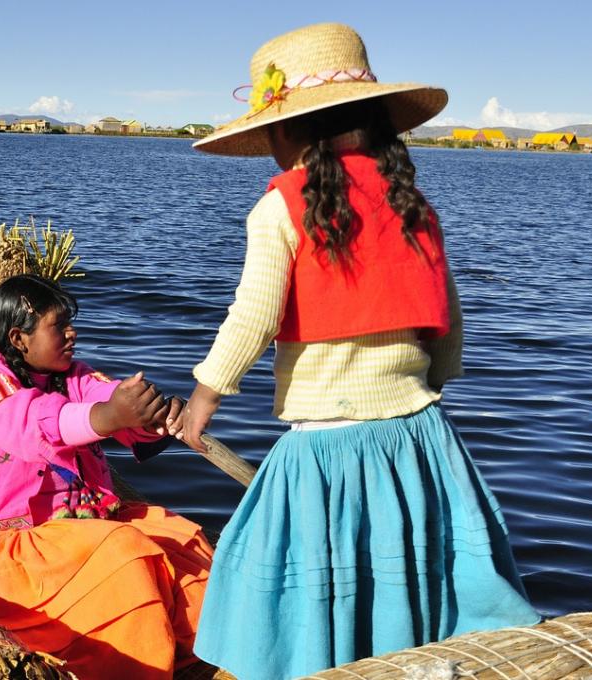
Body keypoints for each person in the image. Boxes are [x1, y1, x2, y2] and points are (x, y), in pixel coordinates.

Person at [170, 22, 541, 679]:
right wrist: (435, 383)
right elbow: (449, 319)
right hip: (420, 437)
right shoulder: (412, 204)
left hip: (328, 448)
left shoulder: (281, 208)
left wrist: (204, 398)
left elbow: (252, 315)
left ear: (289, 132)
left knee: (283, 577)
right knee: (405, 576)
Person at [0, 274, 213, 680]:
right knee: (124, 552)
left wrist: (154, 416)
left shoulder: (75, 376)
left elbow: (108, 403)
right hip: (2, 549)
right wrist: (110, 417)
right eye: (59, 325)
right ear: (20, 339)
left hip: (73, 531)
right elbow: (33, 426)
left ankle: (207, 653)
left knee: (182, 539)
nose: (72, 333)